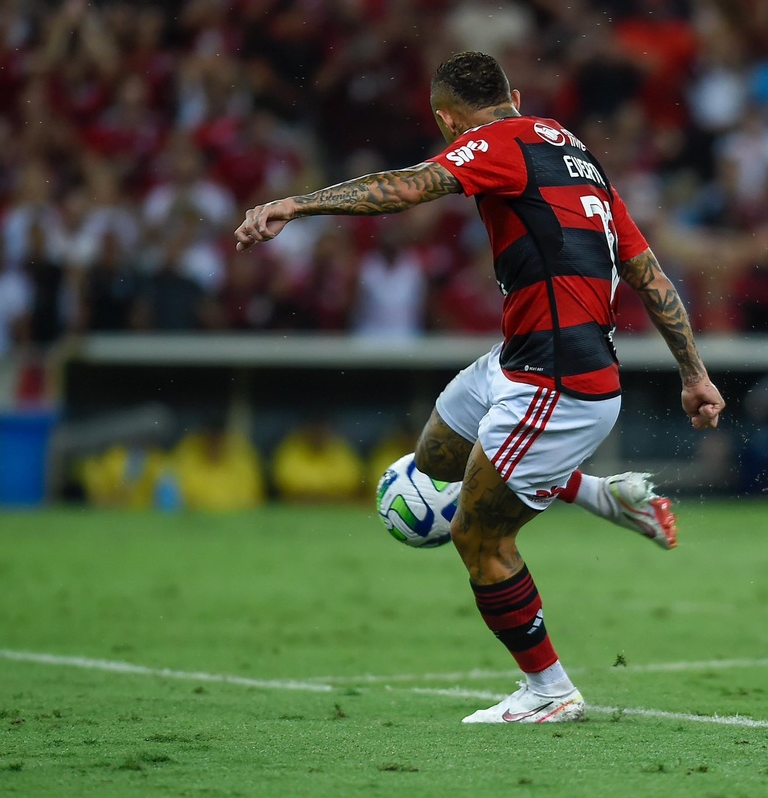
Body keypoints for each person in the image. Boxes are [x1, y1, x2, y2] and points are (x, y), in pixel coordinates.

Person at [235, 52, 724, 724]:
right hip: (521, 360)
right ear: (514, 96)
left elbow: (407, 188)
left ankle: (550, 692)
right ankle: (603, 495)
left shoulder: (492, 144)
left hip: (557, 379)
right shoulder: (576, 153)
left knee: (478, 537)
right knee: (436, 459)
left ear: (446, 120)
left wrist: (297, 203)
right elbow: (649, 275)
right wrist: (694, 375)